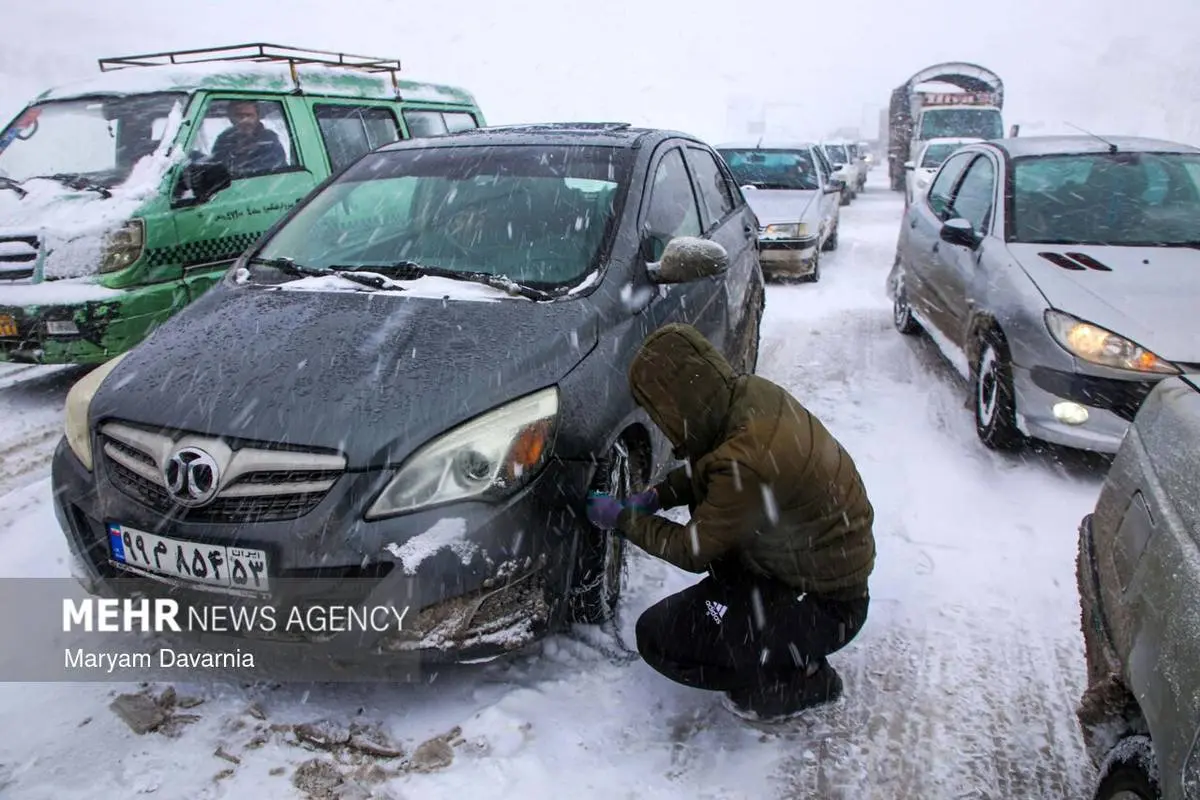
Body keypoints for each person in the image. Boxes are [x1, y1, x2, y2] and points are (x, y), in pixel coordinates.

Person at [586, 323, 876, 723]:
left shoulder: (747, 460)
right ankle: (763, 633)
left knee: (658, 639)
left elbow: (692, 549)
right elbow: (714, 467)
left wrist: (622, 519)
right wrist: (658, 496)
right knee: (704, 603)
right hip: (801, 573)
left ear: (676, 405)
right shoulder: (751, 396)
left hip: (825, 606)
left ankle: (797, 680)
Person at [210, 100, 287, 176]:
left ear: (257, 117)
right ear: (230, 118)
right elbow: (215, 165)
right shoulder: (224, 139)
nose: (244, 120)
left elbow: (266, 173)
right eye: (239, 116)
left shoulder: (269, 141)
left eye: (249, 115)